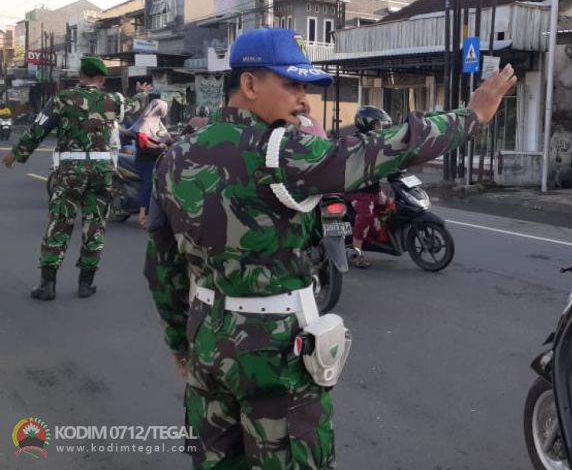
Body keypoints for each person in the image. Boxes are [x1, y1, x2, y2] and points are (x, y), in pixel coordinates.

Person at [143, 27, 516, 469]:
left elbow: (161, 265)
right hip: (275, 350)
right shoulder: (282, 151)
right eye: (292, 85)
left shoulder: (175, 156)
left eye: (306, 88)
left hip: (206, 341)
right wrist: (471, 116)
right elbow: (384, 148)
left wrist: (179, 341)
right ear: (249, 84)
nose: (303, 100)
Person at [3, 56, 150, 300]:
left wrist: (17, 154)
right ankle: (85, 284)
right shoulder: (113, 100)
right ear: (101, 79)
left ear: (80, 76)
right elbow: (135, 104)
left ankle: (47, 285)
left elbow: (39, 129)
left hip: (70, 172)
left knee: (59, 224)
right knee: (95, 226)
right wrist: (143, 94)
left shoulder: (61, 99)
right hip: (102, 172)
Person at [346, 106, 394, 268]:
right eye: (378, 125)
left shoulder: (376, 140)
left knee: (390, 205)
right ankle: (356, 253)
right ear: (368, 124)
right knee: (365, 216)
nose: (380, 128)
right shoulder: (357, 141)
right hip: (358, 191)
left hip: (373, 189)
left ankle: (377, 235)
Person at [131, 98, 171, 227]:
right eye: (163, 108)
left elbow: (167, 138)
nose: (165, 111)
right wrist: (157, 147)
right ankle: (142, 215)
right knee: (149, 185)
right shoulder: (144, 123)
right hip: (145, 161)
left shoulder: (158, 123)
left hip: (157, 159)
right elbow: (143, 143)